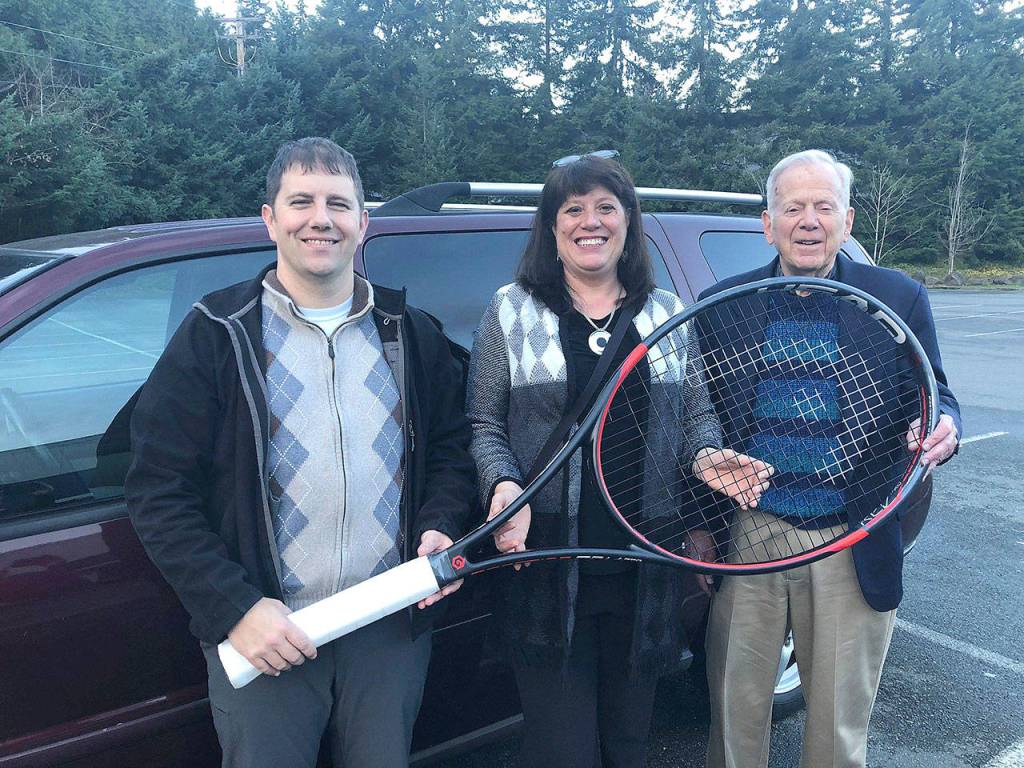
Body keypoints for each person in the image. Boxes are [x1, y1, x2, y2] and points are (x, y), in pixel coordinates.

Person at [125, 137, 476, 768]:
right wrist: (234, 609)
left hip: (387, 628)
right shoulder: (216, 334)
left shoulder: (409, 333)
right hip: (269, 632)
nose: (321, 218)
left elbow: (453, 451)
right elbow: (157, 491)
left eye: (340, 204)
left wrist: (439, 524)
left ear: (363, 224)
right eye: (302, 201)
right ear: (270, 219)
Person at [466, 151, 770, 768]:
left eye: (607, 207)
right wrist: (502, 484)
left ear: (629, 221)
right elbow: (483, 420)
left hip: (642, 570)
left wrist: (709, 456)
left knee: (630, 746)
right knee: (562, 752)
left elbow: (696, 416)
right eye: (573, 208)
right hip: (547, 566)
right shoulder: (511, 310)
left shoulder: (665, 313)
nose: (590, 221)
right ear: (551, 227)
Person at [702, 149, 961, 768]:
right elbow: (700, 416)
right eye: (793, 207)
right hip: (753, 533)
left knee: (838, 733)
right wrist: (698, 520)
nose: (809, 221)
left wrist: (944, 424)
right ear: (768, 224)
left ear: (847, 222)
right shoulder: (724, 306)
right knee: (734, 720)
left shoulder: (899, 297)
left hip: (855, 529)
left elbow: (937, 392)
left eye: (824, 206)